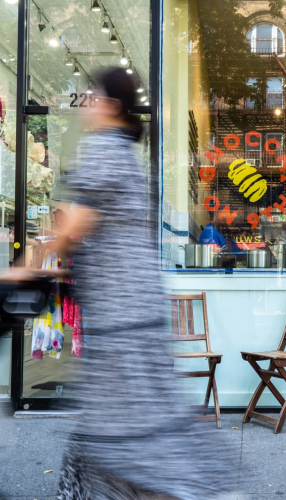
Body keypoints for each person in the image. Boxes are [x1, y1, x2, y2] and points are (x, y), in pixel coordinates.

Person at [47, 67, 233, 500]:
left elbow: (76, 221)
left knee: (123, 422)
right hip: (138, 310)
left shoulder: (103, 149)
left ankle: (182, 490)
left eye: (93, 96)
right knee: (136, 416)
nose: (87, 104)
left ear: (111, 105)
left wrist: (30, 262)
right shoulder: (124, 154)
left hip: (122, 314)